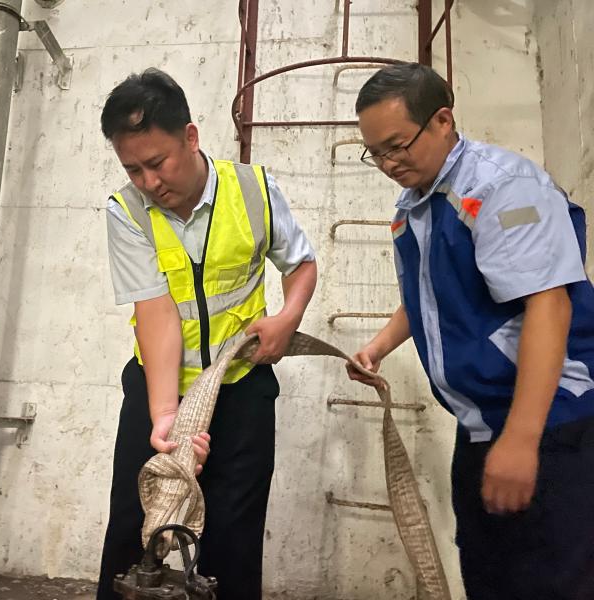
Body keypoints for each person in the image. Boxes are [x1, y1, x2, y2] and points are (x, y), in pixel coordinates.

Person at [346, 62, 594, 599]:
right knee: (489, 577)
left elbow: (550, 306)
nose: (388, 163)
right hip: (480, 426)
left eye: (397, 146)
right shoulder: (416, 203)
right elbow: (429, 297)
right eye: (376, 153)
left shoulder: (502, 188)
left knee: (554, 581)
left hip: (551, 424)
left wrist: (523, 441)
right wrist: (380, 346)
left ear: (441, 120)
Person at [96, 68, 318, 600]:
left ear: (190, 137)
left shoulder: (255, 190)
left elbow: (302, 264)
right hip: (159, 389)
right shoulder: (126, 211)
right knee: (136, 527)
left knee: (234, 539)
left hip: (241, 390)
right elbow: (156, 313)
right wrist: (166, 417)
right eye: (133, 169)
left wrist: (288, 319)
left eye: (156, 163)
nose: (148, 182)